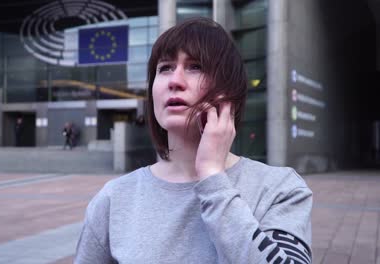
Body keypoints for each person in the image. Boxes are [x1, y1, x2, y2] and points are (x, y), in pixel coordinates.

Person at [75, 18, 312, 264]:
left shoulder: (280, 189)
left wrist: (212, 178)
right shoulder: (114, 199)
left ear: (227, 92)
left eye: (195, 66)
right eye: (164, 68)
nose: (174, 81)